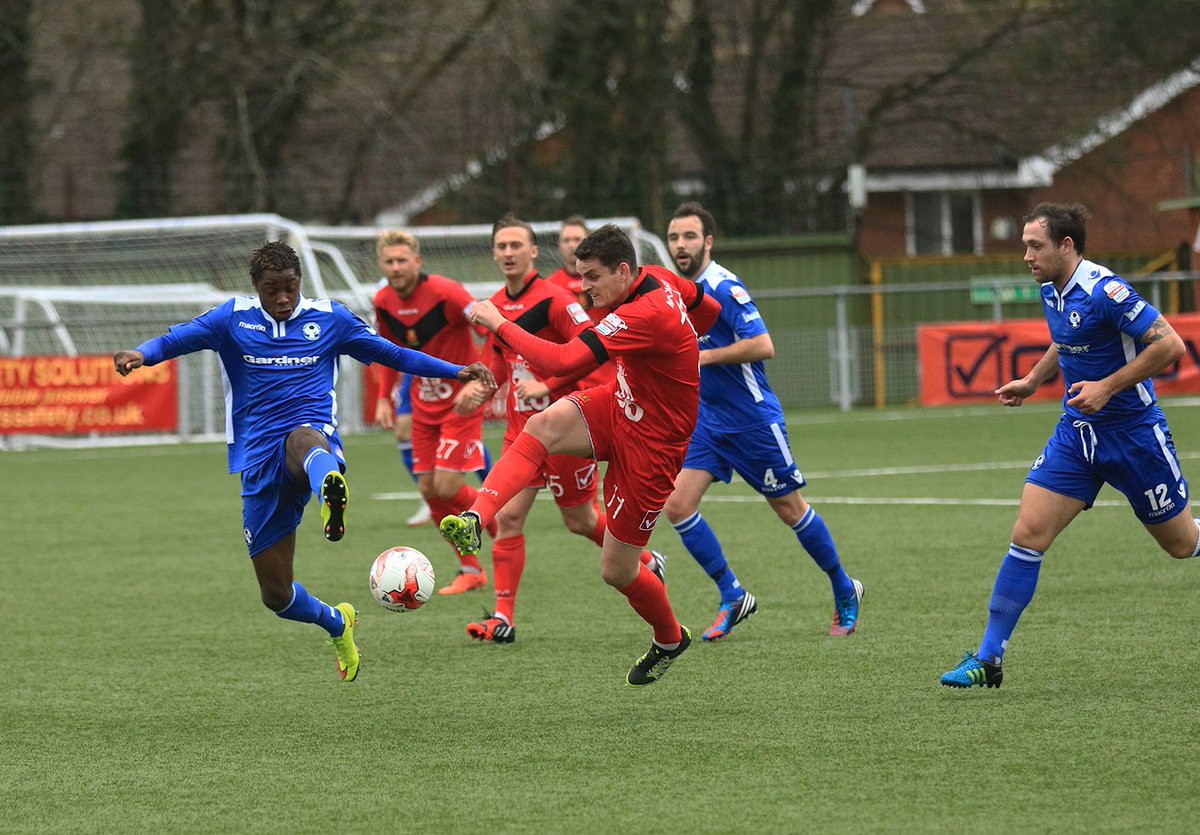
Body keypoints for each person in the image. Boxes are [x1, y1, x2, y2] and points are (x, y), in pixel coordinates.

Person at [113, 241, 495, 683]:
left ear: (301, 283)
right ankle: (336, 621)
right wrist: (141, 354)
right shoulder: (231, 318)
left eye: (290, 288)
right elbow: (176, 339)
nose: (282, 299)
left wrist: (455, 370)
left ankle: (328, 488)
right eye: (272, 290)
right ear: (255, 287)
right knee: (276, 595)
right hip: (257, 460)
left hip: (310, 440)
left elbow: (391, 353)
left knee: (304, 438)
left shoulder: (330, 318)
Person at [441, 223, 722, 686]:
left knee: (617, 570)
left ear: (623, 271)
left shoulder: (645, 312)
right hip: (620, 404)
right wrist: (685, 347)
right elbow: (707, 309)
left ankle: (670, 639)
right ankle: (475, 516)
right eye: (580, 275)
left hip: (653, 448)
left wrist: (498, 322)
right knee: (541, 425)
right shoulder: (660, 277)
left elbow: (562, 361)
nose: (584, 285)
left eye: (592, 276)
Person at [941, 202, 1198, 689]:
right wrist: (1033, 380)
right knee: (1028, 534)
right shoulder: (1051, 289)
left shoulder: (1106, 291)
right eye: (1025, 246)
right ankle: (988, 658)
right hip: (1077, 435)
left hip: (1134, 436)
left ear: (1066, 245)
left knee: (1182, 545)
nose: (1026, 256)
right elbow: (1066, 338)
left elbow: (1170, 345)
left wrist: (1107, 387)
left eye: (1035, 246)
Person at [452, 215, 666, 644]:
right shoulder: (495, 306)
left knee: (579, 520)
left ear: (534, 252)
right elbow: (498, 363)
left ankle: (645, 560)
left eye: (516, 245)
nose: (509, 252)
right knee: (509, 518)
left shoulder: (555, 299)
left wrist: (547, 384)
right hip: (522, 431)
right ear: (493, 253)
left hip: (567, 429)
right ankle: (503, 617)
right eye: (502, 246)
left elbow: (588, 352)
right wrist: (480, 388)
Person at [662, 202, 864, 640]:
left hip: (751, 420)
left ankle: (844, 587)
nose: (681, 245)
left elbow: (763, 345)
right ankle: (732, 594)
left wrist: (705, 357)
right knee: (677, 505)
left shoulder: (724, 286)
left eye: (689, 236)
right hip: (707, 422)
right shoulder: (676, 291)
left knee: (789, 509)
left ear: (708, 242)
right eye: (674, 237)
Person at [371, 230, 497, 594]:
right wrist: (384, 398)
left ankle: (492, 513)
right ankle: (471, 569)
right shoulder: (383, 300)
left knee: (447, 486)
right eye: (389, 262)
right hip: (423, 405)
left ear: (418, 261)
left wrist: (480, 378)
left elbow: (492, 329)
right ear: (382, 265)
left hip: (461, 402)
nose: (396, 267)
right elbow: (389, 350)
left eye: (402, 260)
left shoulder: (446, 292)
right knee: (428, 489)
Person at [545, 215, 615, 389]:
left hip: (607, 376)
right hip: (568, 380)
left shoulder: (608, 280)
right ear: (559, 245)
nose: (571, 245)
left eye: (577, 239)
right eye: (566, 240)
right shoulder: (549, 286)